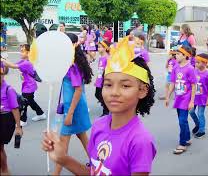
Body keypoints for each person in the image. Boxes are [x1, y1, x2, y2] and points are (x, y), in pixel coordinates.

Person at [42, 36, 157, 175]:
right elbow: (93, 172)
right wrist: (63, 159)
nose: (114, 92)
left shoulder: (140, 141)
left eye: (125, 86)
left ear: (142, 90)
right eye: (108, 84)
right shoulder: (99, 125)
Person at [53, 33, 93, 175]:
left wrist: (69, 114)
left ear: (75, 44)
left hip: (73, 108)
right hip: (74, 106)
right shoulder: (69, 61)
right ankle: (97, 164)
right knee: (82, 136)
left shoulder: (73, 65)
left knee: (63, 142)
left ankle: (55, 174)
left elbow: (78, 90)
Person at [1, 44, 46, 126]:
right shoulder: (23, 61)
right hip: (28, 86)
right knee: (31, 102)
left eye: (22, 51)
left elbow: (13, 66)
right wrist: (4, 60)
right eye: (20, 51)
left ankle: (23, 120)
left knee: (23, 102)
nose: (20, 53)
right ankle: (41, 114)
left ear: (28, 53)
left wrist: (2, 61)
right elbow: (12, 64)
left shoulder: (27, 63)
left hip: (29, 87)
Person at [165, 45, 196, 154]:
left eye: (178, 54)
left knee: (182, 121)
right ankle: (187, 138)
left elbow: (193, 86)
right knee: (182, 120)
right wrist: (168, 96)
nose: (176, 55)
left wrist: (192, 101)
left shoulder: (190, 69)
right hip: (178, 98)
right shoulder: (175, 67)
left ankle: (182, 143)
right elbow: (172, 83)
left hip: (186, 99)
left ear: (185, 55)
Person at [0, 62, 23, 175]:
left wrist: (18, 127)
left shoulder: (9, 90)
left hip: (4, 121)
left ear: (3, 74)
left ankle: (4, 171)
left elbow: (15, 109)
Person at [189, 53, 208, 138]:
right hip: (194, 97)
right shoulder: (194, 71)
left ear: (205, 63)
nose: (196, 64)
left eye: (198, 62)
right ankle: (198, 124)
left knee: (200, 114)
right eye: (196, 62)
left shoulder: (207, 74)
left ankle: (202, 130)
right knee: (191, 111)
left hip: (202, 98)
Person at [95, 40, 111, 116]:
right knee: (97, 94)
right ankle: (106, 105)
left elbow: (108, 70)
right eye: (98, 47)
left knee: (102, 95)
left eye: (100, 47)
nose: (98, 49)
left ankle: (106, 111)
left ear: (105, 48)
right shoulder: (101, 57)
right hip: (99, 79)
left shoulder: (107, 58)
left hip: (104, 80)